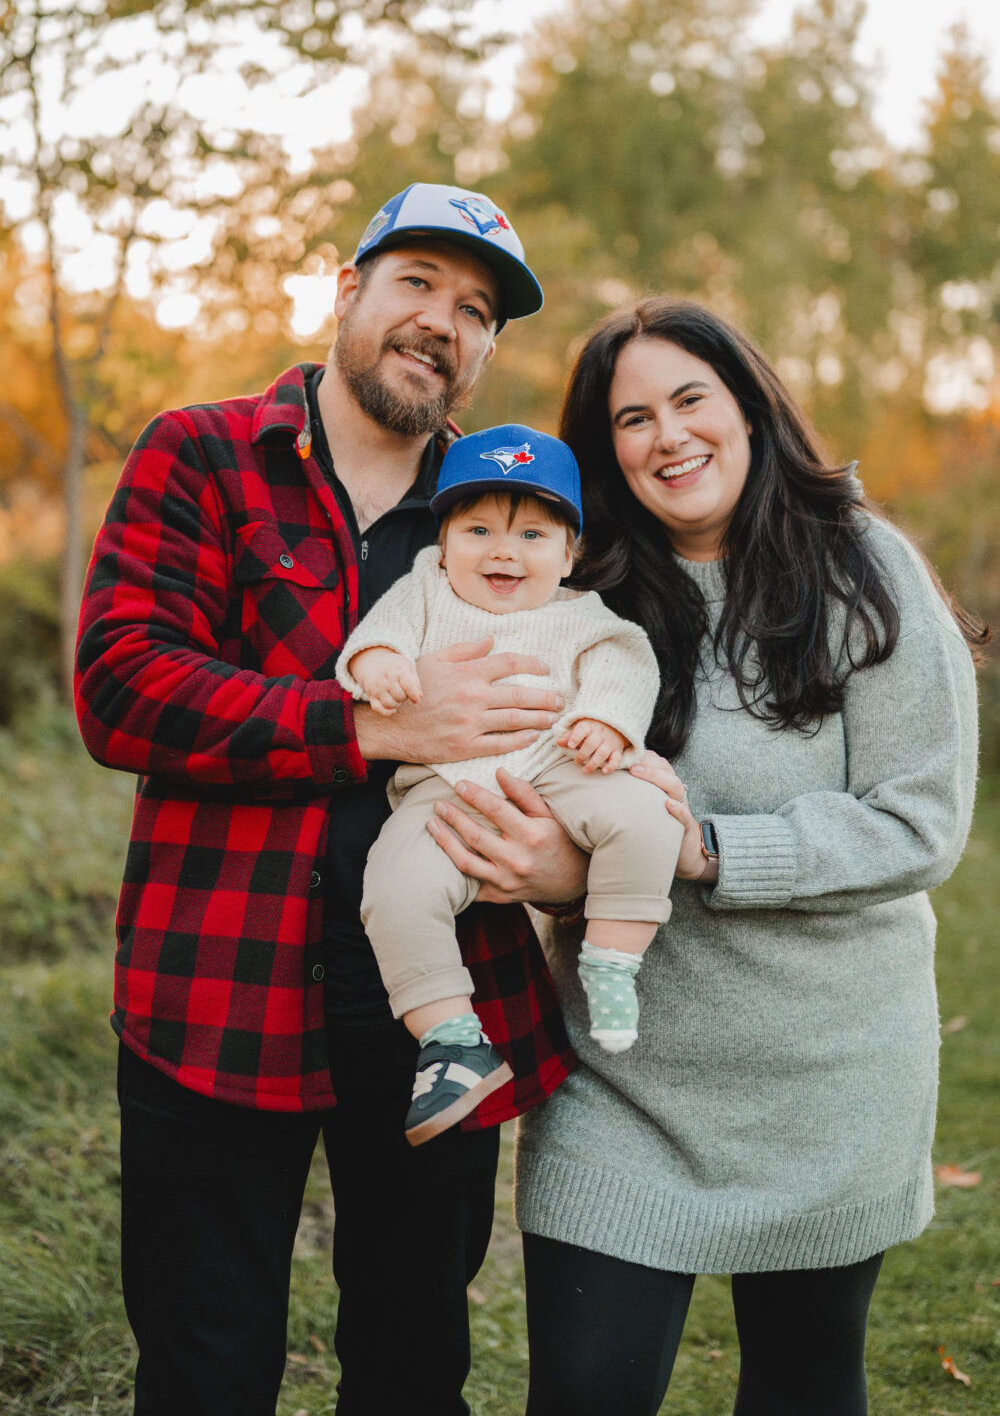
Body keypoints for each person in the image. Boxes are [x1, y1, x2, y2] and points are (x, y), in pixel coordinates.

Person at [73, 182, 584, 1416]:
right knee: (204, 1367)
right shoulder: (198, 452)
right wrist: (362, 723)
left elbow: (599, 670)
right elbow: (123, 688)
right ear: (346, 292)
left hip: (435, 1007)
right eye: (416, 284)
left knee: (413, 1367)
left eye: (475, 311)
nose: (442, 325)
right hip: (216, 983)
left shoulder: (495, 517)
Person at [430, 297, 985, 1415]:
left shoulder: (863, 568)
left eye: (690, 399)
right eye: (630, 419)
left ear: (747, 405)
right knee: (585, 1389)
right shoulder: (575, 592)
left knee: (802, 1383)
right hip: (625, 1079)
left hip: (832, 1078)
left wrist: (710, 852)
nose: (667, 435)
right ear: (603, 452)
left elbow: (919, 820)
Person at [335, 424, 683, 1143]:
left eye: (532, 535)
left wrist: (607, 722)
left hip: (561, 762)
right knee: (393, 888)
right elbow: (376, 637)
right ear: (444, 541)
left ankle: (613, 958)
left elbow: (626, 665)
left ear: (568, 553)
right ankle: (452, 1037)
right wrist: (378, 667)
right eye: (479, 529)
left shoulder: (582, 616)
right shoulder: (423, 591)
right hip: (443, 786)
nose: (503, 550)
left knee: (648, 816)